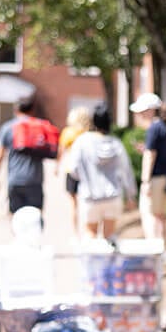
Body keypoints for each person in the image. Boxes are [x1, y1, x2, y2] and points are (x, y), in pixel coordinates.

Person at [65, 103, 135, 240]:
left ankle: (91, 261)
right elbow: (126, 171)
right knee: (109, 236)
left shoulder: (82, 142)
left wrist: (85, 178)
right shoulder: (116, 143)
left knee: (90, 234)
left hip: (90, 196)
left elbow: (73, 169)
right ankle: (108, 261)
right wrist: (131, 195)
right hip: (113, 196)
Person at [129, 92, 166, 256]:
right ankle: (163, 250)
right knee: (160, 215)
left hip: (154, 179)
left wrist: (145, 181)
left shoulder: (153, 129)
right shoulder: (162, 127)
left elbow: (151, 155)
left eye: (141, 111)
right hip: (163, 177)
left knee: (150, 215)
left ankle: (154, 251)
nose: (139, 115)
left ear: (149, 110)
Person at [0, 95, 50, 221]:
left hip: (15, 180)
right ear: (33, 109)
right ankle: (34, 240)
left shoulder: (8, 128)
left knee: (15, 218)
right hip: (35, 180)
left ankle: (18, 240)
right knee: (35, 218)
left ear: (16, 109)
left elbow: (0, 156)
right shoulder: (39, 127)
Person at [58, 105, 93, 236]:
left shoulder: (68, 132)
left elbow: (61, 151)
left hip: (71, 170)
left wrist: (57, 167)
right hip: (87, 171)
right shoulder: (89, 133)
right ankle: (87, 232)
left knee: (74, 205)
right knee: (87, 203)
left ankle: (75, 234)